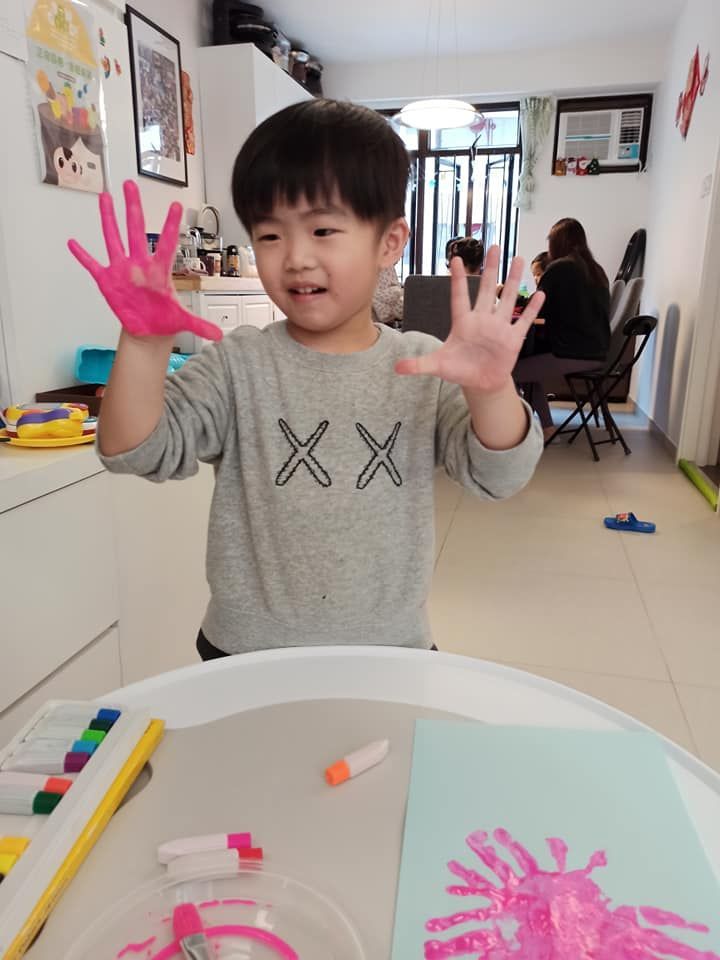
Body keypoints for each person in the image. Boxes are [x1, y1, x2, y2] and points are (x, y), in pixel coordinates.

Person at [68, 99, 544, 660]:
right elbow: (132, 451)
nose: (294, 257)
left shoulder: (423, 365)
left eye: (322, 229)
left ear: (390, 242)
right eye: (269, 236)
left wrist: (490, 390)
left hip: (389, 650)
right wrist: (144, 345)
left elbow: (500, 476)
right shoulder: (237, 364)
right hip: (245, 653)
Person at [513, 218, 610, 439]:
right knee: (528, 368)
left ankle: (517, 431)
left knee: (509, 371)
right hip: (598, 352)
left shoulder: (559, 268)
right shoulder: (596, 271)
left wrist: (505, 294)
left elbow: (535, 308)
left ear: (556, 243)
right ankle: (547, 429)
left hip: (571, 352)